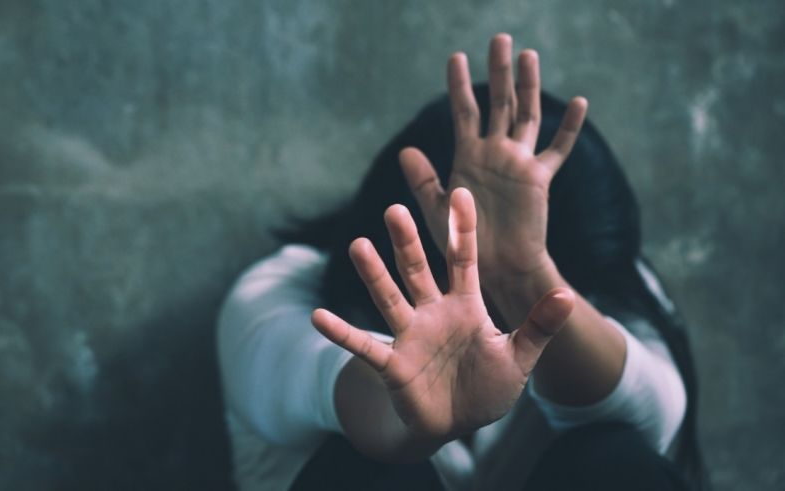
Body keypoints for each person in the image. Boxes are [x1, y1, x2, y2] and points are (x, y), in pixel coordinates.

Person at [217, 34, 706, 490]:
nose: (492, 323)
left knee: (613, 455)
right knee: (370, 469)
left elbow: (651, 417)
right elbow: (321, 376)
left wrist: (522, 275)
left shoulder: (609, 280)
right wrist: (410, 410)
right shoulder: (273, 295)